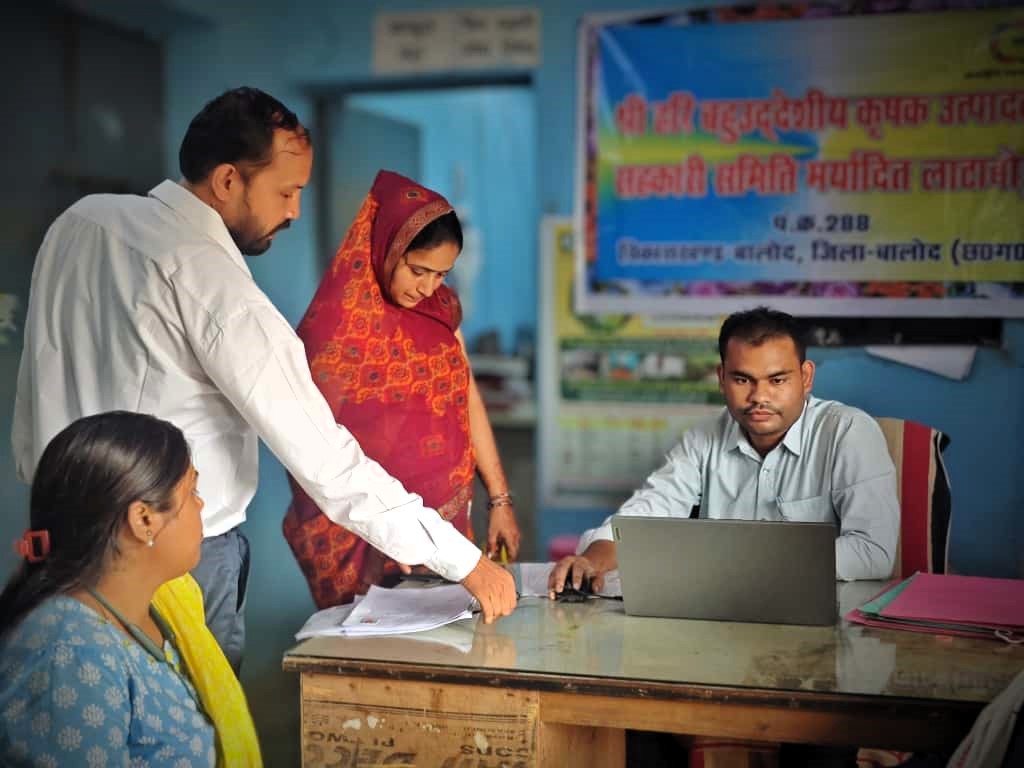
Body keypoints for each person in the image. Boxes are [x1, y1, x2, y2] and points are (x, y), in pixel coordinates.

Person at [12, 87, 516, 671]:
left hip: (58, 550)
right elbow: (327, 461)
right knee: (185, 741)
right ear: (228, 181)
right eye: (286, 191)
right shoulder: (214, 285)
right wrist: (465, 563)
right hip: (169, 562)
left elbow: (38, 380)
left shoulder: (82, 222)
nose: (295, 211)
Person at [283, 170, 521, 608]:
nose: (428, 287)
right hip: (362, 534)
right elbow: (312, 447)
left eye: (442, 275)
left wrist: (500, 498)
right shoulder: (334, 331)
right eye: (418, 270)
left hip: (448, 527)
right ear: (387, 248)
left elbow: (466, 399)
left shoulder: (440, 312)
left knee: (449, 642)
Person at [549, 306, 899, 596]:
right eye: (742, 379)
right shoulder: (704, 438)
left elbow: (874, 552)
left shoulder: (848, 432)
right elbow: (644, 515)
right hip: (719, 617)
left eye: (777, 380)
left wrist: (750, 565)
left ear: (806, 377)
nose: (759, 397)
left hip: (826, 623)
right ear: (721, 378)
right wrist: (593, 559)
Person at [0, 411, 261, 767]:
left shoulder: (158, 608)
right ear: (143, 520)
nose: (201, 504)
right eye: (192, 492)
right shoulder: (68, 652)